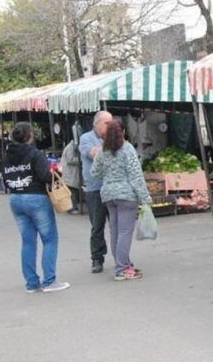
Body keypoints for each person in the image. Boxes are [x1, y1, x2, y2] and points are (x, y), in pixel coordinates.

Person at [3, 122, 70, 293]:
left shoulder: (7, 156)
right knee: (49, 239)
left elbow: (5, 180)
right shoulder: (35, 153)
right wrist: (58, 171)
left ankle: (32, 284)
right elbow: (46, 176)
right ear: (30, 136)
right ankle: (49, 281)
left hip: (15, 199)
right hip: (36, 198)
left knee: (28, 241)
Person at [90, 120, 151, 281]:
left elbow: (94, 172)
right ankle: (122, 269)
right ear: (122, 132)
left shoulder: (102, 152)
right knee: (125, 232)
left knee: (115, 232)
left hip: (108, 195)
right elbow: (135, 175)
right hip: (126, 196)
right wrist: (145, 197)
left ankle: (123, 264)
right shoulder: (127, 149)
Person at [79, 110, 113, 273]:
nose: (110, 126)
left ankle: (121, 258)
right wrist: (112, 146)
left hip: (113, 188)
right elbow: (93, 154)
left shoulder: (113, 138)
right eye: (107, 123)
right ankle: (97, 258)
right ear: (97, 123)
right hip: (95, 189)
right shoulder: (86, 138)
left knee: (117, 225)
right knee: (97, 226)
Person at [60, 139, 81, 215]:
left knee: (73, 190)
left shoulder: (72, 146)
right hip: (69, 173)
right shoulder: (70, 148)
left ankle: (73, 207)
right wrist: (81, 159)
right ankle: (71, 208)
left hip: (71, 173)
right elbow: (70, 159)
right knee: (71, 191)